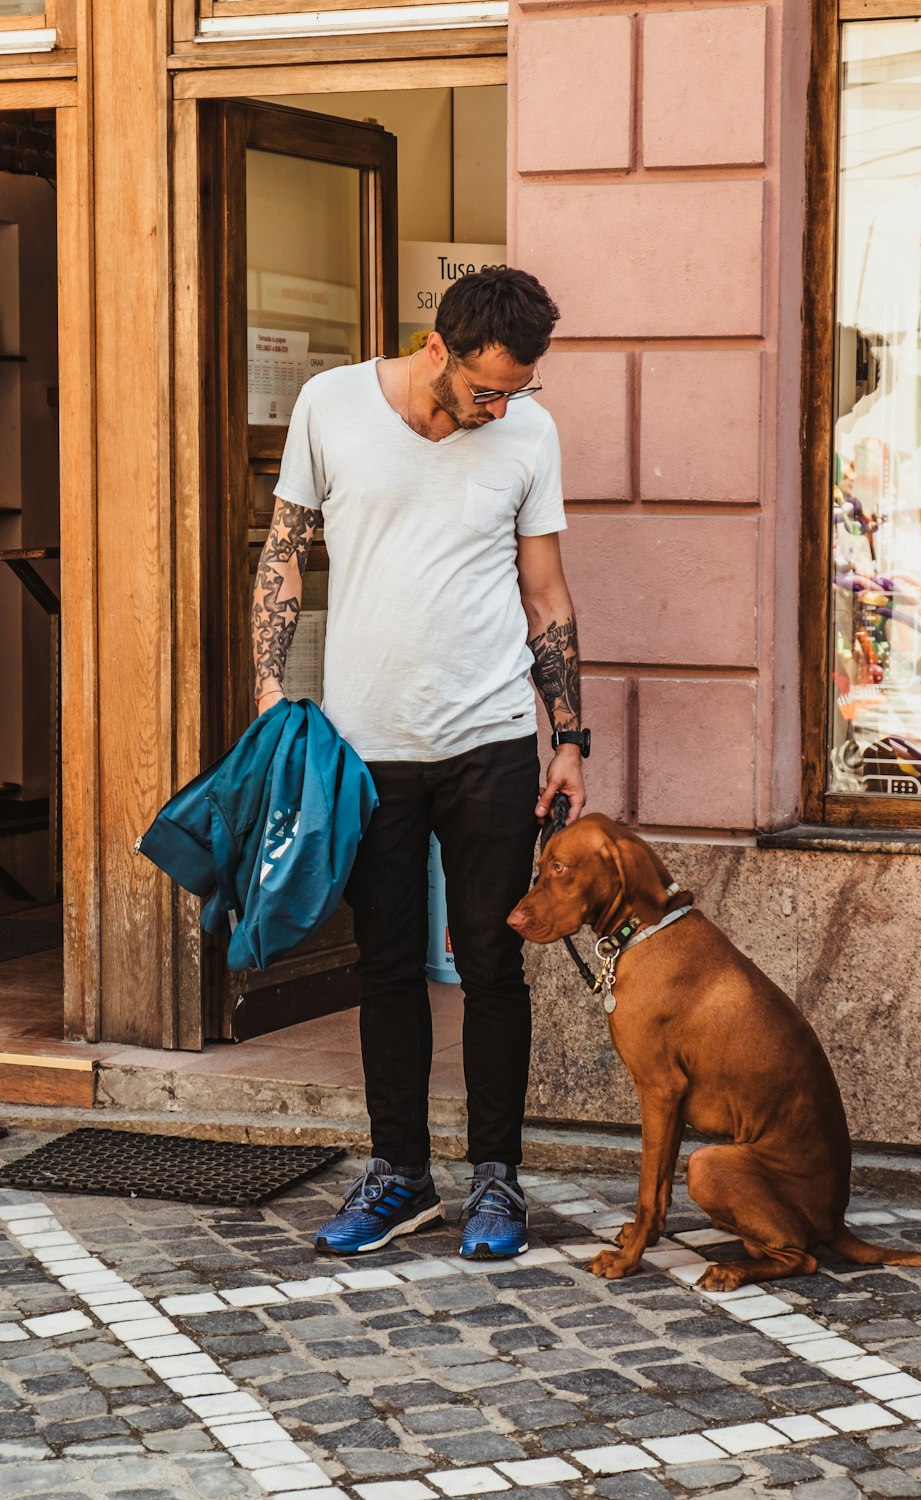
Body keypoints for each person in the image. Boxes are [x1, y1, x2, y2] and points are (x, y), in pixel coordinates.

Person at [251, 268, 588, 1259]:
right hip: (368, 748)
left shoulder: (528, 432)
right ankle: (401, 1176)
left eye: (516, 390)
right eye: (488, 388)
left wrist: (568, 736)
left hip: (488, 741)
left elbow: (546, 593)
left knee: (490, 965)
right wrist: (270, 691)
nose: (501, 406)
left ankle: (496, 1182)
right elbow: (284, 551)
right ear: (436, 350)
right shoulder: (331, 406)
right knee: (387, 965)